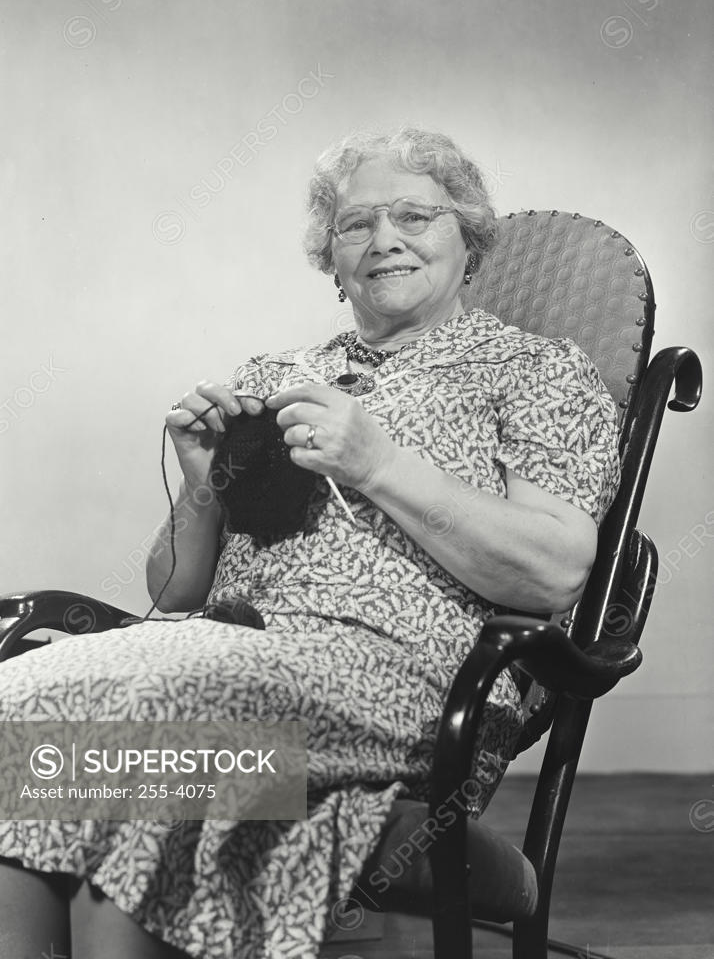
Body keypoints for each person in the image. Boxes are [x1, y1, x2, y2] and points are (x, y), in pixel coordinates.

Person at [0, 127, 621, 958]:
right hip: (219, 656)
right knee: (30, 744)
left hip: (396, 677)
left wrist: (380, 463)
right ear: (330, 262)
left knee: (114, 730)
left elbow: (552, 570)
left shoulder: (537, 372)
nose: (385, 239)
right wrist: (201, 488)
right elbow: (175, 590)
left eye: (415, 216)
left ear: (469, 243)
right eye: (357, 224)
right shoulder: (274, 377)